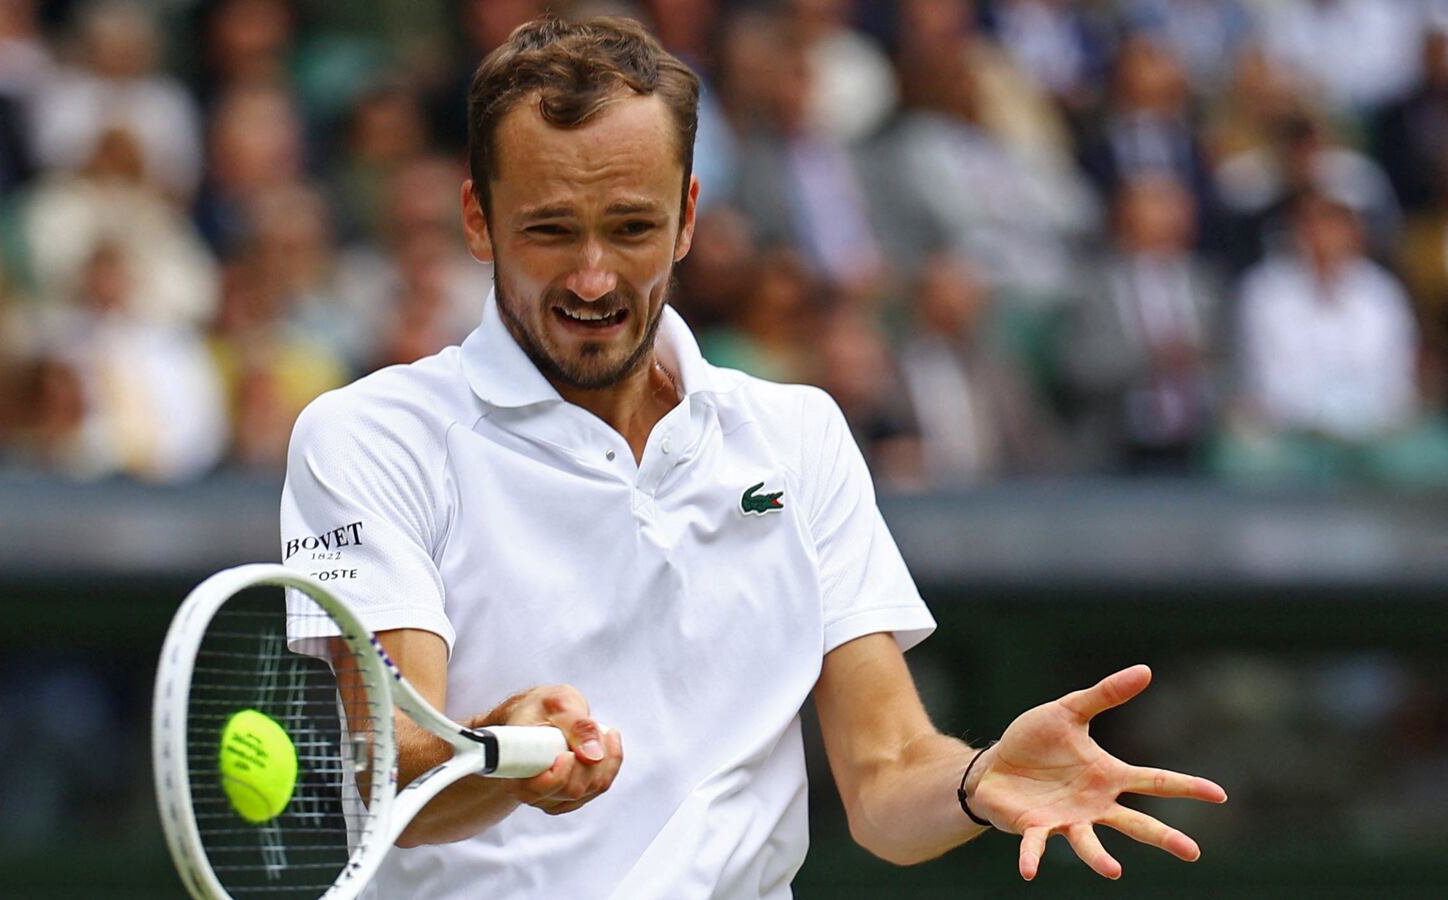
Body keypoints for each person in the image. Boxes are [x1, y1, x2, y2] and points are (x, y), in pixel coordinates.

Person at [279, 16, 1226, 898]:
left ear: (688, 217)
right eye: (550, 230)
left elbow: (888, 775)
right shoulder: (370, 438)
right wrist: (505, 753)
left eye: (633, 227)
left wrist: (977, 779)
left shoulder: (797, 434)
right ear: (479, 220)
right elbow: (385, 770)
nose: (595, 276)